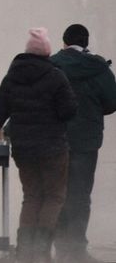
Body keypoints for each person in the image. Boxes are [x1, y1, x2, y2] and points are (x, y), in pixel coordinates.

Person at [0, 28, 78, 260]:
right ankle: (41, 251)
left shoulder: (12, 78)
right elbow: (69, 111)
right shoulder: (56, 76)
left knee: (31, 196)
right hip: (53, 149)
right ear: (46, 53)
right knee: (53, 197)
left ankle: (24, 252)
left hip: (23, 149)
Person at [51, 23, 116, 261]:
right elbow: (112, 102)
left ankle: (60, 248)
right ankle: (77, 249)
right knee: (80, 195)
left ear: (64, 42)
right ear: (86, 43)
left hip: (57, 140)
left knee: (58, 193)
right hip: (87, 141)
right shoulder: (99, 68)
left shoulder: (52, 65)